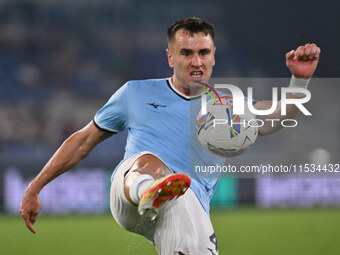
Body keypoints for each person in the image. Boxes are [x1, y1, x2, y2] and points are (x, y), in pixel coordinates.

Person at [20, 17, 320, 255]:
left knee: (183, 201)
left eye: (203, 52)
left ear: (213, 55)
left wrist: (300, 81)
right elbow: (83, 141)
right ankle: (150, 191)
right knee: (149, 162)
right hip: (129, 195)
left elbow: (277, 116)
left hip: (187, 207)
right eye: (186, 53)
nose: (196, 61)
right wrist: (35, 187)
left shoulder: (229, 108)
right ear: (169, 57)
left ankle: (163, 193)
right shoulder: (134, 93)